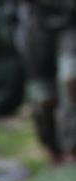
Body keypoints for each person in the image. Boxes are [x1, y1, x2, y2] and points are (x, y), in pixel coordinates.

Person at [18, 0, 76, 161]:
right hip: (35, 27)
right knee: (43, 95)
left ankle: (72, 146)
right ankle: (52, 147)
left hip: (70, 24)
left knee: (70, 81)